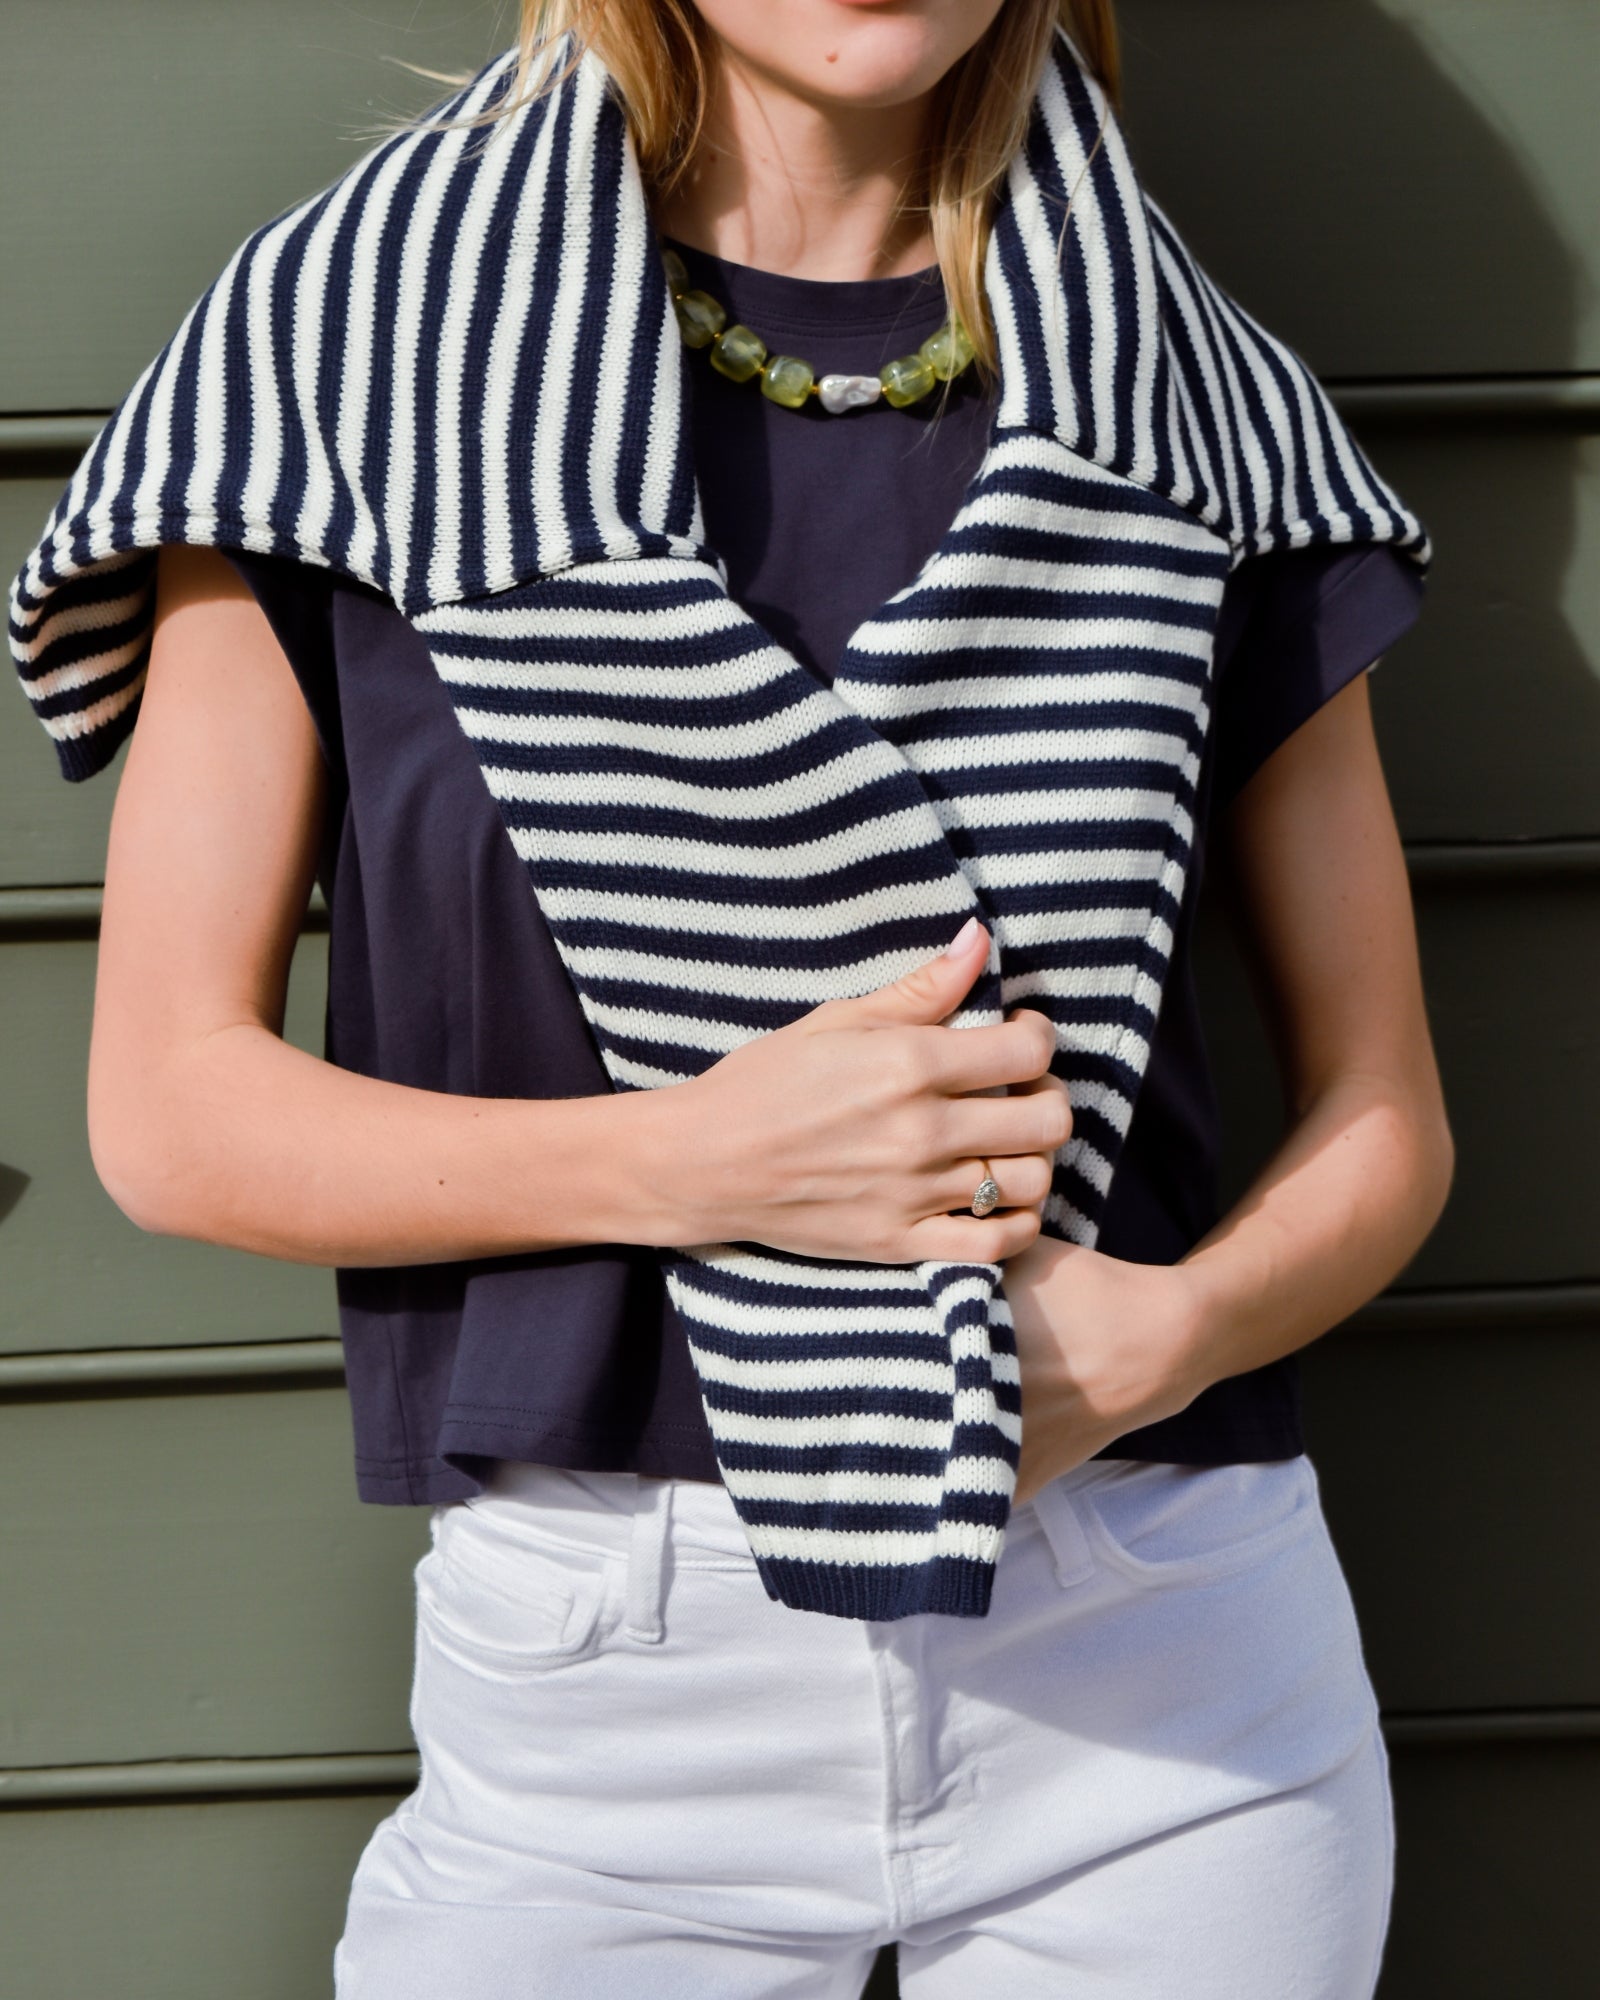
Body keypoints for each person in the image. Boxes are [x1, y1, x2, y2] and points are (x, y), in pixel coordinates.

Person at [11, 2, 1453, 1993]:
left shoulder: (1193, 408)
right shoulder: (336, 366)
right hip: (605, 1689)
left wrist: (1172, 1331)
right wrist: (707, 1155)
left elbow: (1386, 1109)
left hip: (1156, 1655)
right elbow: (169, 1107)